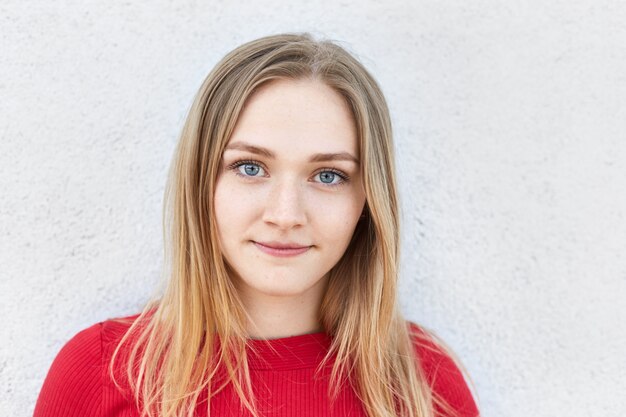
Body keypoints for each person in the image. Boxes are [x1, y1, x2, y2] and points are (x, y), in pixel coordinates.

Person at [34, 33, 479, 417]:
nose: (285, 215)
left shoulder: (424, 382)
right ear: (201, 182)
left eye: (329, 176)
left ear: (368, 201)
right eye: (250, 167)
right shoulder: (103, 372)